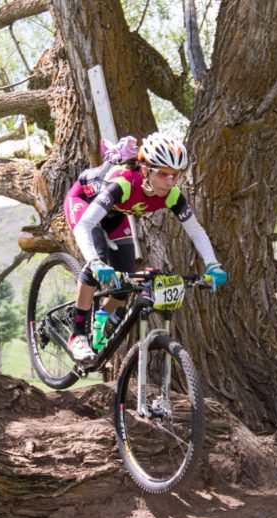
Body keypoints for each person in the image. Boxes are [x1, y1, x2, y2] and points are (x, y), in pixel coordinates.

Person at [63, 132, 227, 363]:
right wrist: (96, 262)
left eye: (175, 175)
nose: (170, 182)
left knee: (124, 282)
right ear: (145, 170)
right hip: (84, 204)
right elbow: (85, 225)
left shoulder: (172, 195)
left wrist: (213, 265)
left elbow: (196, 231)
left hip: (115, 214)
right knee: (95, 262)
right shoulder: (123, 185)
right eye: (163, 174)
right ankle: (77, 334)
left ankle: (98, 318)